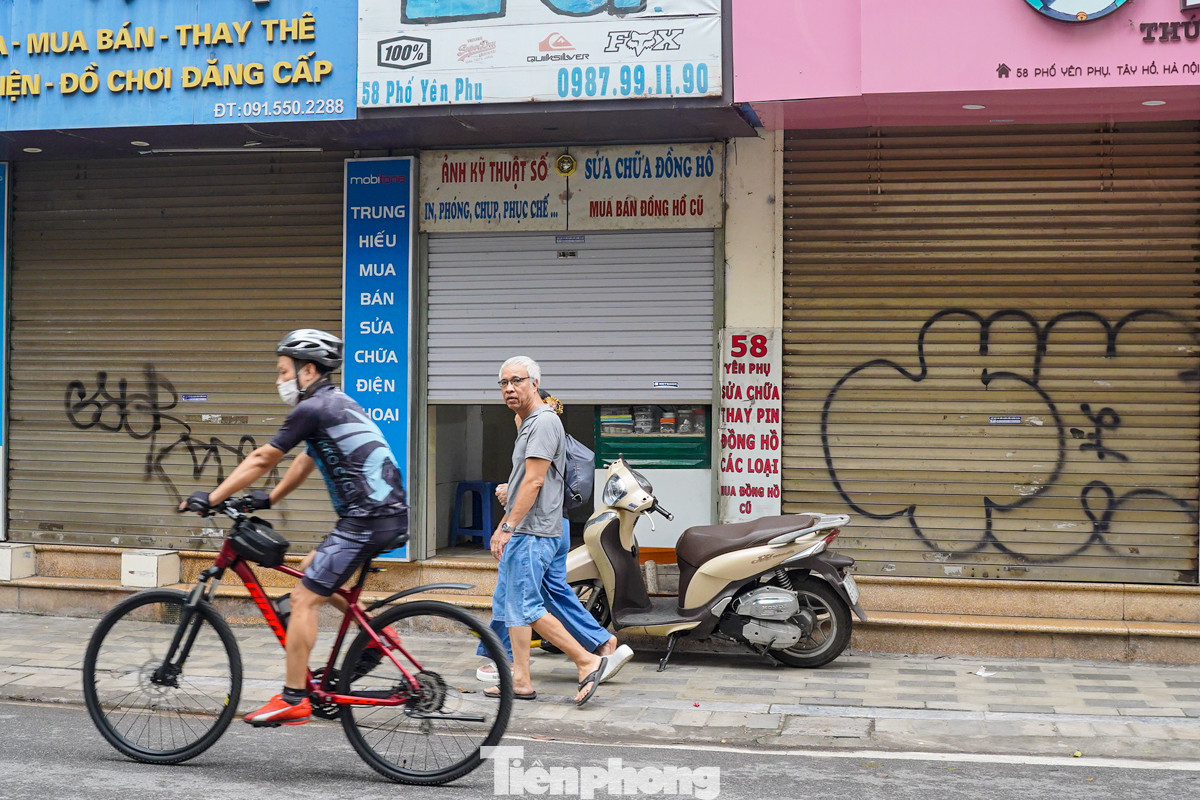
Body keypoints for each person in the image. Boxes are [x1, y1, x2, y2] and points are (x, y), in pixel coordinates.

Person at [181, 328, 408, 727]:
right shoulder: (335, 402)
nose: (278, 380)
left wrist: (213, 498)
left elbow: (261, 459)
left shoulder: (312, 408)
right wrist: (269, 500)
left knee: (303, 600)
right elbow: (308, 458)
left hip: (366, 520)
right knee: (311, 571)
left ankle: (294, 698)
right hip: (380, 514)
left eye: (282, 371)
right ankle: (378, 638)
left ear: (307, 371)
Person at [476, 388, 633, 686]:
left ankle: (514, 660)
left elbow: (535, 482)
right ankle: (598, 641)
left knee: (518, 599)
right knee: (550, 593)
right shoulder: (549, 431)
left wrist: (507, 521)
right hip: (554, 527)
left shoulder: (539, 429)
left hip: (536, 529)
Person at [489, 356, 613, 706]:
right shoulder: (529, 420)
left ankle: (587, 659)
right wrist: (508, 493)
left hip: (533, 531)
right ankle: (521, 679)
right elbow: (526, 478)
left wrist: (506, 527)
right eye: (503, 383)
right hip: (540, 527)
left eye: (517, 381)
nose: (509, 388)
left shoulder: (543, 423)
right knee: (515, 605)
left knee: (527, 608)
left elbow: (535, 479)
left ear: (534, 383)